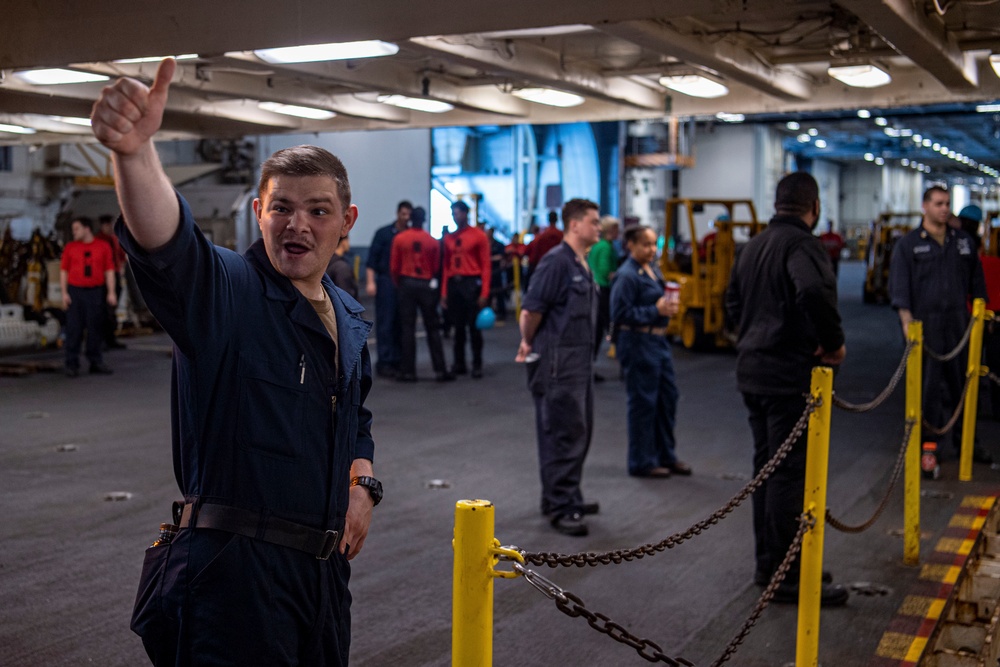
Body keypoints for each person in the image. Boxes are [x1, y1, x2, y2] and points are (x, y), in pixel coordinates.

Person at [91, 58, 379, 666]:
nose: (297, 224)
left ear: (346, 222)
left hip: (323, 580)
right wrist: (134, 155)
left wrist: (362, 484)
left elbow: (356, 419)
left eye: (318, 210)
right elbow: (170, 248)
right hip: (235, 581)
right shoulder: (229, 292)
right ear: (259, 212)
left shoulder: (348, 318)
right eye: (282, 209)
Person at [725, 171, 849, 607]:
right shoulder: (802, 245)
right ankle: (789, 575)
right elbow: (813, 290)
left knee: (766, 469)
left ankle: (769, 564)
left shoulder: (752, 246)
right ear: (813, 208)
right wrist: (832, 342)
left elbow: (732, 303)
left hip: (752, 372)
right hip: (787, 375)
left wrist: (752, 333)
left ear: (777, 204)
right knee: (788, 475)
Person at [515, 198, 601, 536]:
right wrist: (528, 342)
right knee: (562, 433)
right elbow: (530, 312)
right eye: (593, 222)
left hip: (578, 363)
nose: (598, 227)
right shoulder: (557, 263)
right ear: (575, 224)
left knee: (580, 431)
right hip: (557, 365)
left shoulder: (582, 262)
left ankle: (567, 495)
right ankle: (561, 505)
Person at [890, 188, 988, 467]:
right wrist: (906, 322)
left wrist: (982, 318)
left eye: (947, 204)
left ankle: (968, 442)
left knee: (965, 386)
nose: (944, 209)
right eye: (938, 204)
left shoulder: (964, 242)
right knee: (928, 390)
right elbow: (900, 289)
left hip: (959, 326)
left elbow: (977, 285)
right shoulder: (908, 245)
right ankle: (929, 447)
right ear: (925, 207)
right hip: (925, 327)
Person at [610, 225, 691, 479]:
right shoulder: (627, 276)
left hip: (658, 343)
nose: (651, 249)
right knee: (643, 403)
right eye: (645, 244)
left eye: (654, 244)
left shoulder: (652, 270)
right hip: (637, 343)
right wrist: (655, 311)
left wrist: (666, 309)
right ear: (630, 245)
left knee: (667, 399)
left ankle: (665, 454)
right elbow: (620, 314)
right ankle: (642, 461)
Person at [390, 206, 453, 382]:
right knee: (432, 328)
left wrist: (399, 283)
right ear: (424, 219)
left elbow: (394, 267)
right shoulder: (432, 241)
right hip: (426, 285)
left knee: (407, 328)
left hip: (406, 283)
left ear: (411, 219)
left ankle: (408, 371)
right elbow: (435, 267)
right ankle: (440, 370)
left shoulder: (400, 239)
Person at [957, 205, 1000, 421]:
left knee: (976, 362)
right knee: (986, 363)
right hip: (976, 312)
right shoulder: (970, 248)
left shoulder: (968, 248)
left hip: (978, 313)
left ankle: (968, 402)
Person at [60, 216, 117, 377]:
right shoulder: (70, 248)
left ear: (87, 229)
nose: (74, 232)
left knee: (95, 327)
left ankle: (95, 361)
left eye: (76, 229)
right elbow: (64, 271)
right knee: (74, 329)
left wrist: (111, 292)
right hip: (75, 291)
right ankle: (71, 363)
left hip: (95, 292)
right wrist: (64, 293)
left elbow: (109, 270)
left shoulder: (103, 246)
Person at [441, 200, 491, 378]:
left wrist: (484, 293)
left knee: (474, 327)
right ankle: (459, 363)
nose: (456, 217)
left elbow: (486, 265)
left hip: (472, 284)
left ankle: (477, 364)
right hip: (455, 284)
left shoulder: (479, 236)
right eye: (453, 214)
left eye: (458, 213)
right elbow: (446, 267)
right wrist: (444, 292)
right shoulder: (449, 239)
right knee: (458, 327)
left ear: (466, 214)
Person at [366, 200, 411, 377]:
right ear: (397, 213)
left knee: (402, 322)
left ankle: (398, 359)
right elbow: (371, 261)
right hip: (386, 282)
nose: (406, 218)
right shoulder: (384, 234)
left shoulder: (410, 236)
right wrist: (371, 282)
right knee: (386, 321)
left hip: (404, 283)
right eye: (403, 214)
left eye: (408, 215)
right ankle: (385, 361)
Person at [588, 215, 619, 371]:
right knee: (611, 327)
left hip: (595, 290)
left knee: (597, 331)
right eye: (616, 229)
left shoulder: (598, 245)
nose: (618, 232)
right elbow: (605, 270)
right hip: (604, 291)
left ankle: (589, 367)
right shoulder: (606, 247)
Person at [95, 213, 128, 349]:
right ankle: (101, 339)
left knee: (112, 310)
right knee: (103, 310)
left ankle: (110, 339)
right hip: (103, 278)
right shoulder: (98, 240)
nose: (108, 227)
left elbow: (122, 255)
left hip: (115, 275)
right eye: (106, 225)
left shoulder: (115, 239)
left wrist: (121, 268)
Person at [326, 234, 359, 300]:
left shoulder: (326, 262)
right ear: (344, 242)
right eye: (348, 240)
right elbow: (347, 297)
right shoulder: (342, 268)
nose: (349, 244)